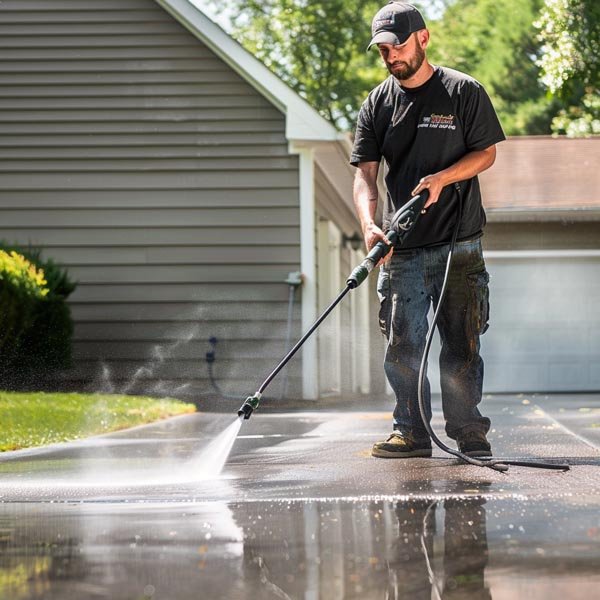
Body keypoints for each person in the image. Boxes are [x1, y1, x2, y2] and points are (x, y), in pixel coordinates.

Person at [350, 2, 505, 458]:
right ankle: (412, 433)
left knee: (461, 345)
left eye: (397, 45)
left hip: (460, 245)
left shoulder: (463, 92)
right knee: (403, 349)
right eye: (382, 49)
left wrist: (443, 178)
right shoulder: (377, 103)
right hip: (404, 248)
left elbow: (486, 155)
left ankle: (469, 433)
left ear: (423, 38)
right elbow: (364, 175)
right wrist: (369, 224)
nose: (390, 56)